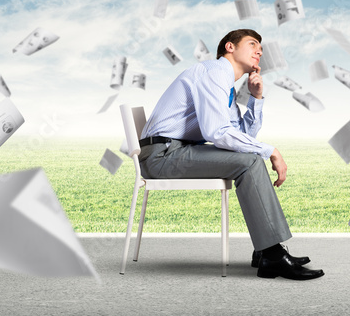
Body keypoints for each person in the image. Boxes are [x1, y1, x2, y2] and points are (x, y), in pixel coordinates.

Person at [138, 28, 324, 280]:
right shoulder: (214, 72)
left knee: (250, 158)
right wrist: (272, 151)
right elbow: (217, 132)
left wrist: (256, 99)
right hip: (162, 156)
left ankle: (266, 250)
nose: (259, 51)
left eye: (261, 48)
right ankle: (272, 255)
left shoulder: (226, 87)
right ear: (230, 47)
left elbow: (241, 136)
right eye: (253, 44)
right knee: (249, 162)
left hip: (177, 150)